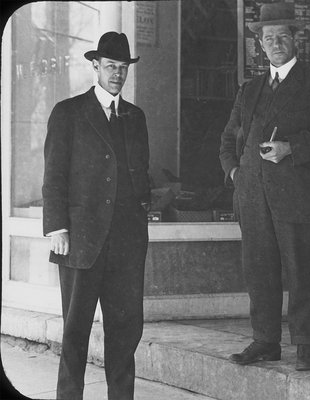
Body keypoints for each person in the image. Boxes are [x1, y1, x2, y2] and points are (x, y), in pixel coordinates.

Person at [219, 2, 310, 371]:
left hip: (298, 199)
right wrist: (235, 174)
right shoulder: (249, 89)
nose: (275, 43)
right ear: (260, 45)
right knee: (259, 272)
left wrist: (291, 148)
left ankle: (304, 345)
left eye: (281, 36)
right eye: (267, 38)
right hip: (253, 199)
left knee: (301, 272)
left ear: (295, 39)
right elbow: (229, 138)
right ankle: (266, 341)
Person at [42, 32, 150, 399]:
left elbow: (140, 176)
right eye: (110, 67)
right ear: (95, 67)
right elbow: (54, 175)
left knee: (124, 333)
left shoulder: (135, 117)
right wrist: (57, 227)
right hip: (80, 242)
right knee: (75, 333)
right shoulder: (68, 112)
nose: (117, 74)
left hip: (125, 246)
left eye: (123, 68)